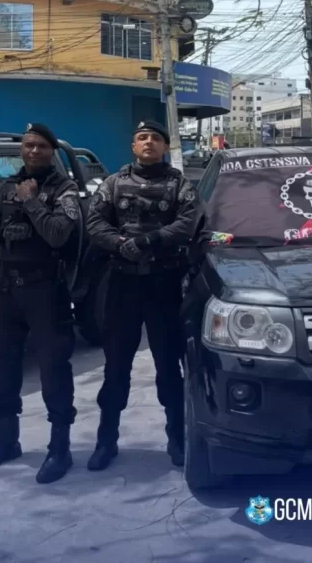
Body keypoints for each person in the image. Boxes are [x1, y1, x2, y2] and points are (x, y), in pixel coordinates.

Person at [86, 120, 200, 471]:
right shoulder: (113, 183)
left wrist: (149, 241)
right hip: (124, 285)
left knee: (169, 366)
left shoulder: (180, 184)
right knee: (116, 366)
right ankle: (106, 441)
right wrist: (121, 243)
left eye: (155, 138)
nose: (148, 142)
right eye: (142, 137)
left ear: (165, 147)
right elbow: (94, 224)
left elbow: (189, 222)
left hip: (164, 285)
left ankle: (177, 439)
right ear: (133, 146)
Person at [0, 123, 80, 483]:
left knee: (54, 371)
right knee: (5, 369)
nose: (34, 151)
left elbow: (58, 234)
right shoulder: (7, 189)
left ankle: (60, 449)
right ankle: (6, 441)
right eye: (28, 145)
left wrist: (33, 201)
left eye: (41, 146)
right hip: (8, 294)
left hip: (46, 294)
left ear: (52, 150)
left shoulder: (64, 189)